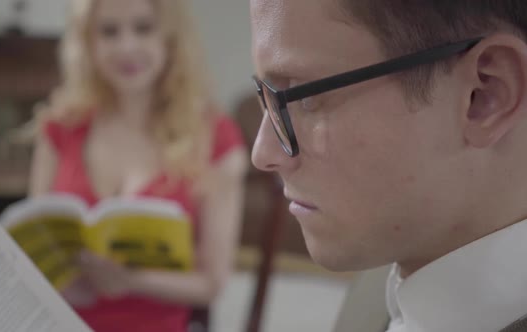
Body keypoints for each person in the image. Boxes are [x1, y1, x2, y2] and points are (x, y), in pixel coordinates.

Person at [249, 1, 527, 331]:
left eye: (302, 98)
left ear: (484, 94)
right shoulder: (383, 289)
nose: (263, 153)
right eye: (265, 95)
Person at [29, 0, 248, 331]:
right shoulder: (60, 128)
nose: (126, 47)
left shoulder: (214, 137)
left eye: (143, 28)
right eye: (109, 31)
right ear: (88, 42)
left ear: (170, 37)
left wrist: (129, 280)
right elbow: (36, 251)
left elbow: (212, 283)